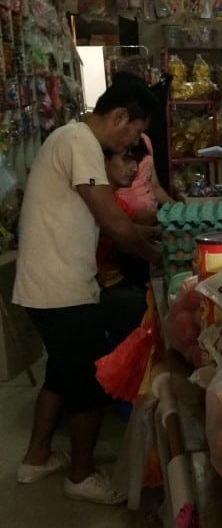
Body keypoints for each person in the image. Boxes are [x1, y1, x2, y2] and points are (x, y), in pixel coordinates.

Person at [13, 75, 162, 504]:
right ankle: (81, 474)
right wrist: (160, 259)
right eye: (134, 130)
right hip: (60, 290)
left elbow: (118, 220)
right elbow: (113, 223)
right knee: (85, 387)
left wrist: (150, 236)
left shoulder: (72, 138)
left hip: (51, 286)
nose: (133, 141)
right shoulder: (79, 141)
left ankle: (36, 457)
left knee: (60, 374)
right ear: (119, 117)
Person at [98, 140, 158, 341]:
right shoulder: (98, 196)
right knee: (139, 307)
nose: (134, 168)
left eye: (137, 161)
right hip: (97, 282)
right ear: (105, 161)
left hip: (109, 274)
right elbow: (126, 229)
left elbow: (135, 218)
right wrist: (157, 254)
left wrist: (171, 214)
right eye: (126, 160)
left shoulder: (112, 196)